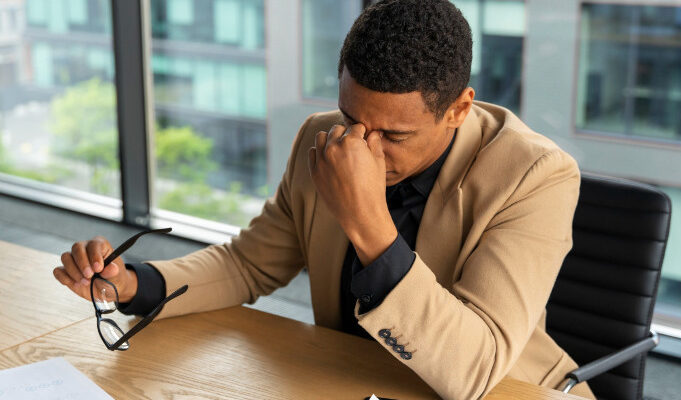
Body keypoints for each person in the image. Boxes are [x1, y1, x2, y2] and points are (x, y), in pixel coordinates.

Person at [52, 1, 594, 399]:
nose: (361, 148)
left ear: (458, 109)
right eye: (352, 118)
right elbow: (246, 265)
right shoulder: (325, 137)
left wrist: (368, 223)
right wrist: (133, 283)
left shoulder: (535, 175)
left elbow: (476, 371)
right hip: (353, 382)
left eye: (395, 136)